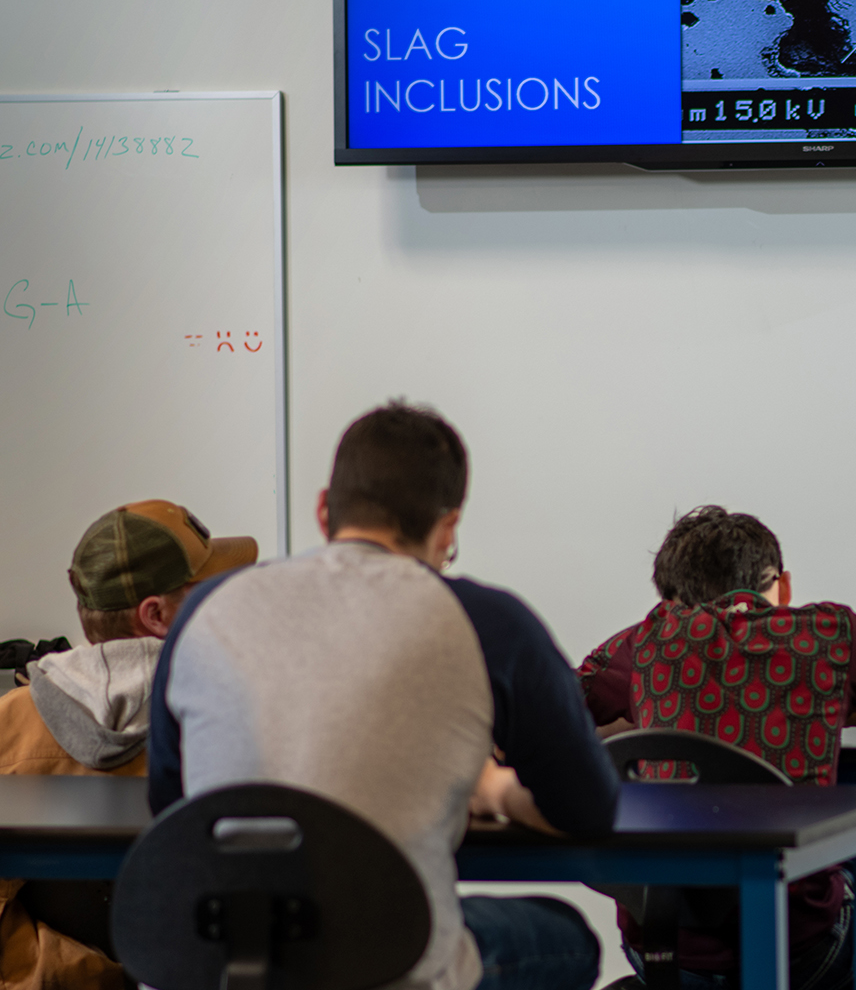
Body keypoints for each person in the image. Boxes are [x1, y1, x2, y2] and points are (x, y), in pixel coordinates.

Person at [148, 402, 619, 990]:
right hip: (391, 968)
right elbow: (590, 809)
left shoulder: (204, 609)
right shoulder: (489, 623)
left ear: (324, 509)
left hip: (227, 963)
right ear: (448, 529)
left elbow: (172, 808)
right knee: (566, 935)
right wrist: (495, 787)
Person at [579, 506, 856, 990]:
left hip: (662, 952)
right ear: (783, 586)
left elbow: (550, 726)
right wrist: (843, 700)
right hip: (802, 955)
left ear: (670, 600)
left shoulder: (644, 644)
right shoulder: (831, 637)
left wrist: (645, 714)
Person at [0, 500, 256, 987]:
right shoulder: (240, 717)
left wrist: (85, 976)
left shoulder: (9, 725)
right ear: (156, 615)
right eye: (208, 591)